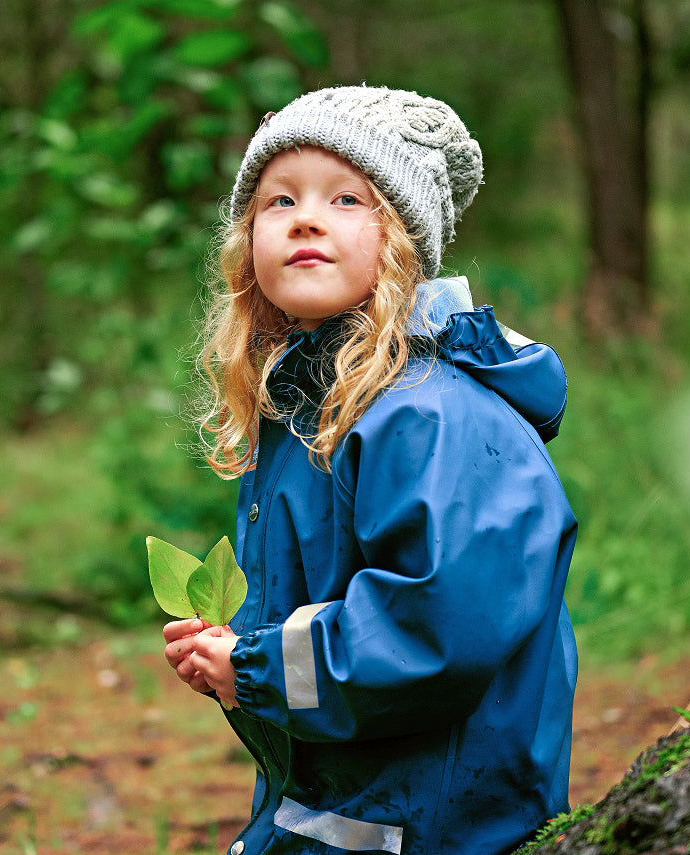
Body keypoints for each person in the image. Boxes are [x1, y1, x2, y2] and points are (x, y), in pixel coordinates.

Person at [162, 85, 577, 855]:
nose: (306, 217)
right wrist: (230, 657)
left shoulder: (429, 415)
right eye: (279, 199)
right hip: (342, 809)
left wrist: (253, 666)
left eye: (347, 197)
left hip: (428, 825)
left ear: (402, 244)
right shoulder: (309, 407)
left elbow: (436, 625)